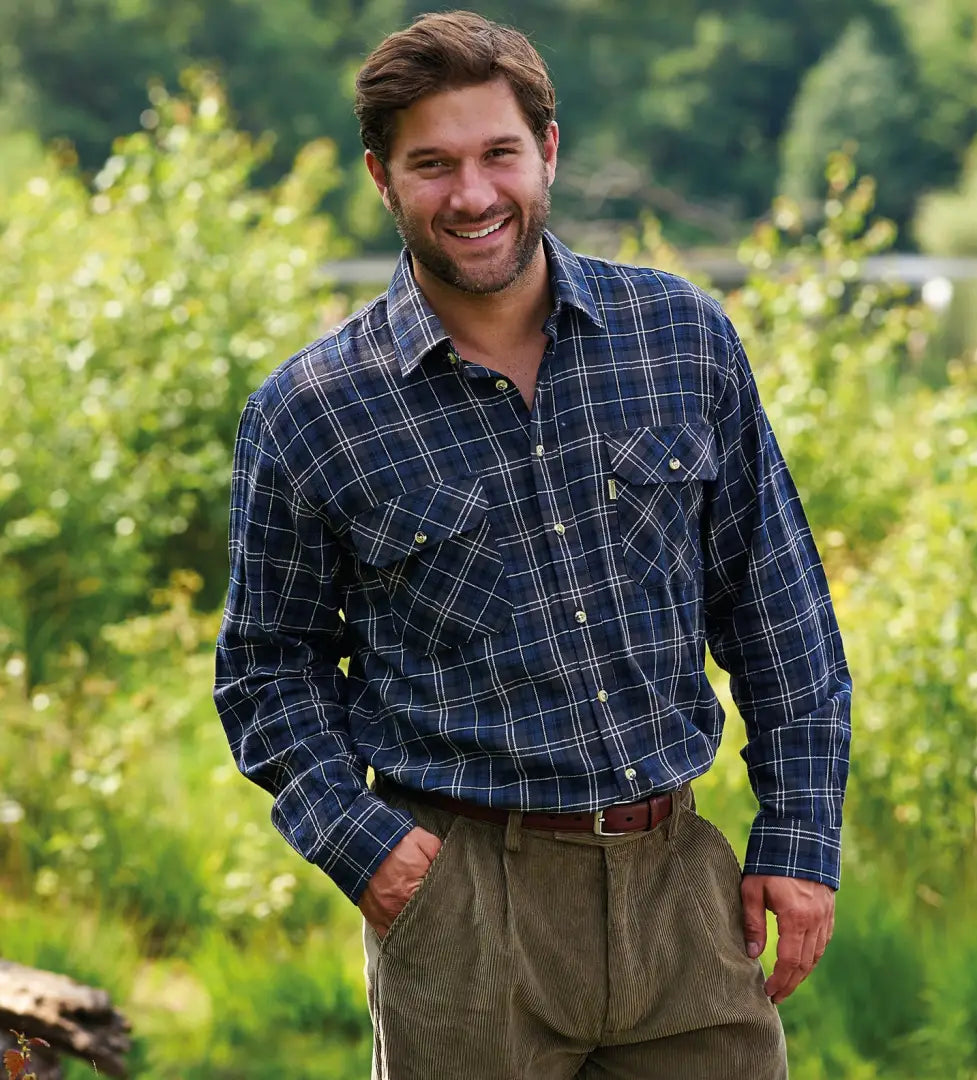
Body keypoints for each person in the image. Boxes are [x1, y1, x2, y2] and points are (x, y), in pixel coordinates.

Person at [214, 10, 851, 1078]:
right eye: (433, 165)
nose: (472, 195)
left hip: (682, 899)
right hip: (463, 919)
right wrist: (362, 847)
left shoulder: (681, 338)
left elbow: (778, 605)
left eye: (498, 153)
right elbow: (265, 669)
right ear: (382, 178)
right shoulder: (312, 411)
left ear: (547, 151)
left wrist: (798, 836)